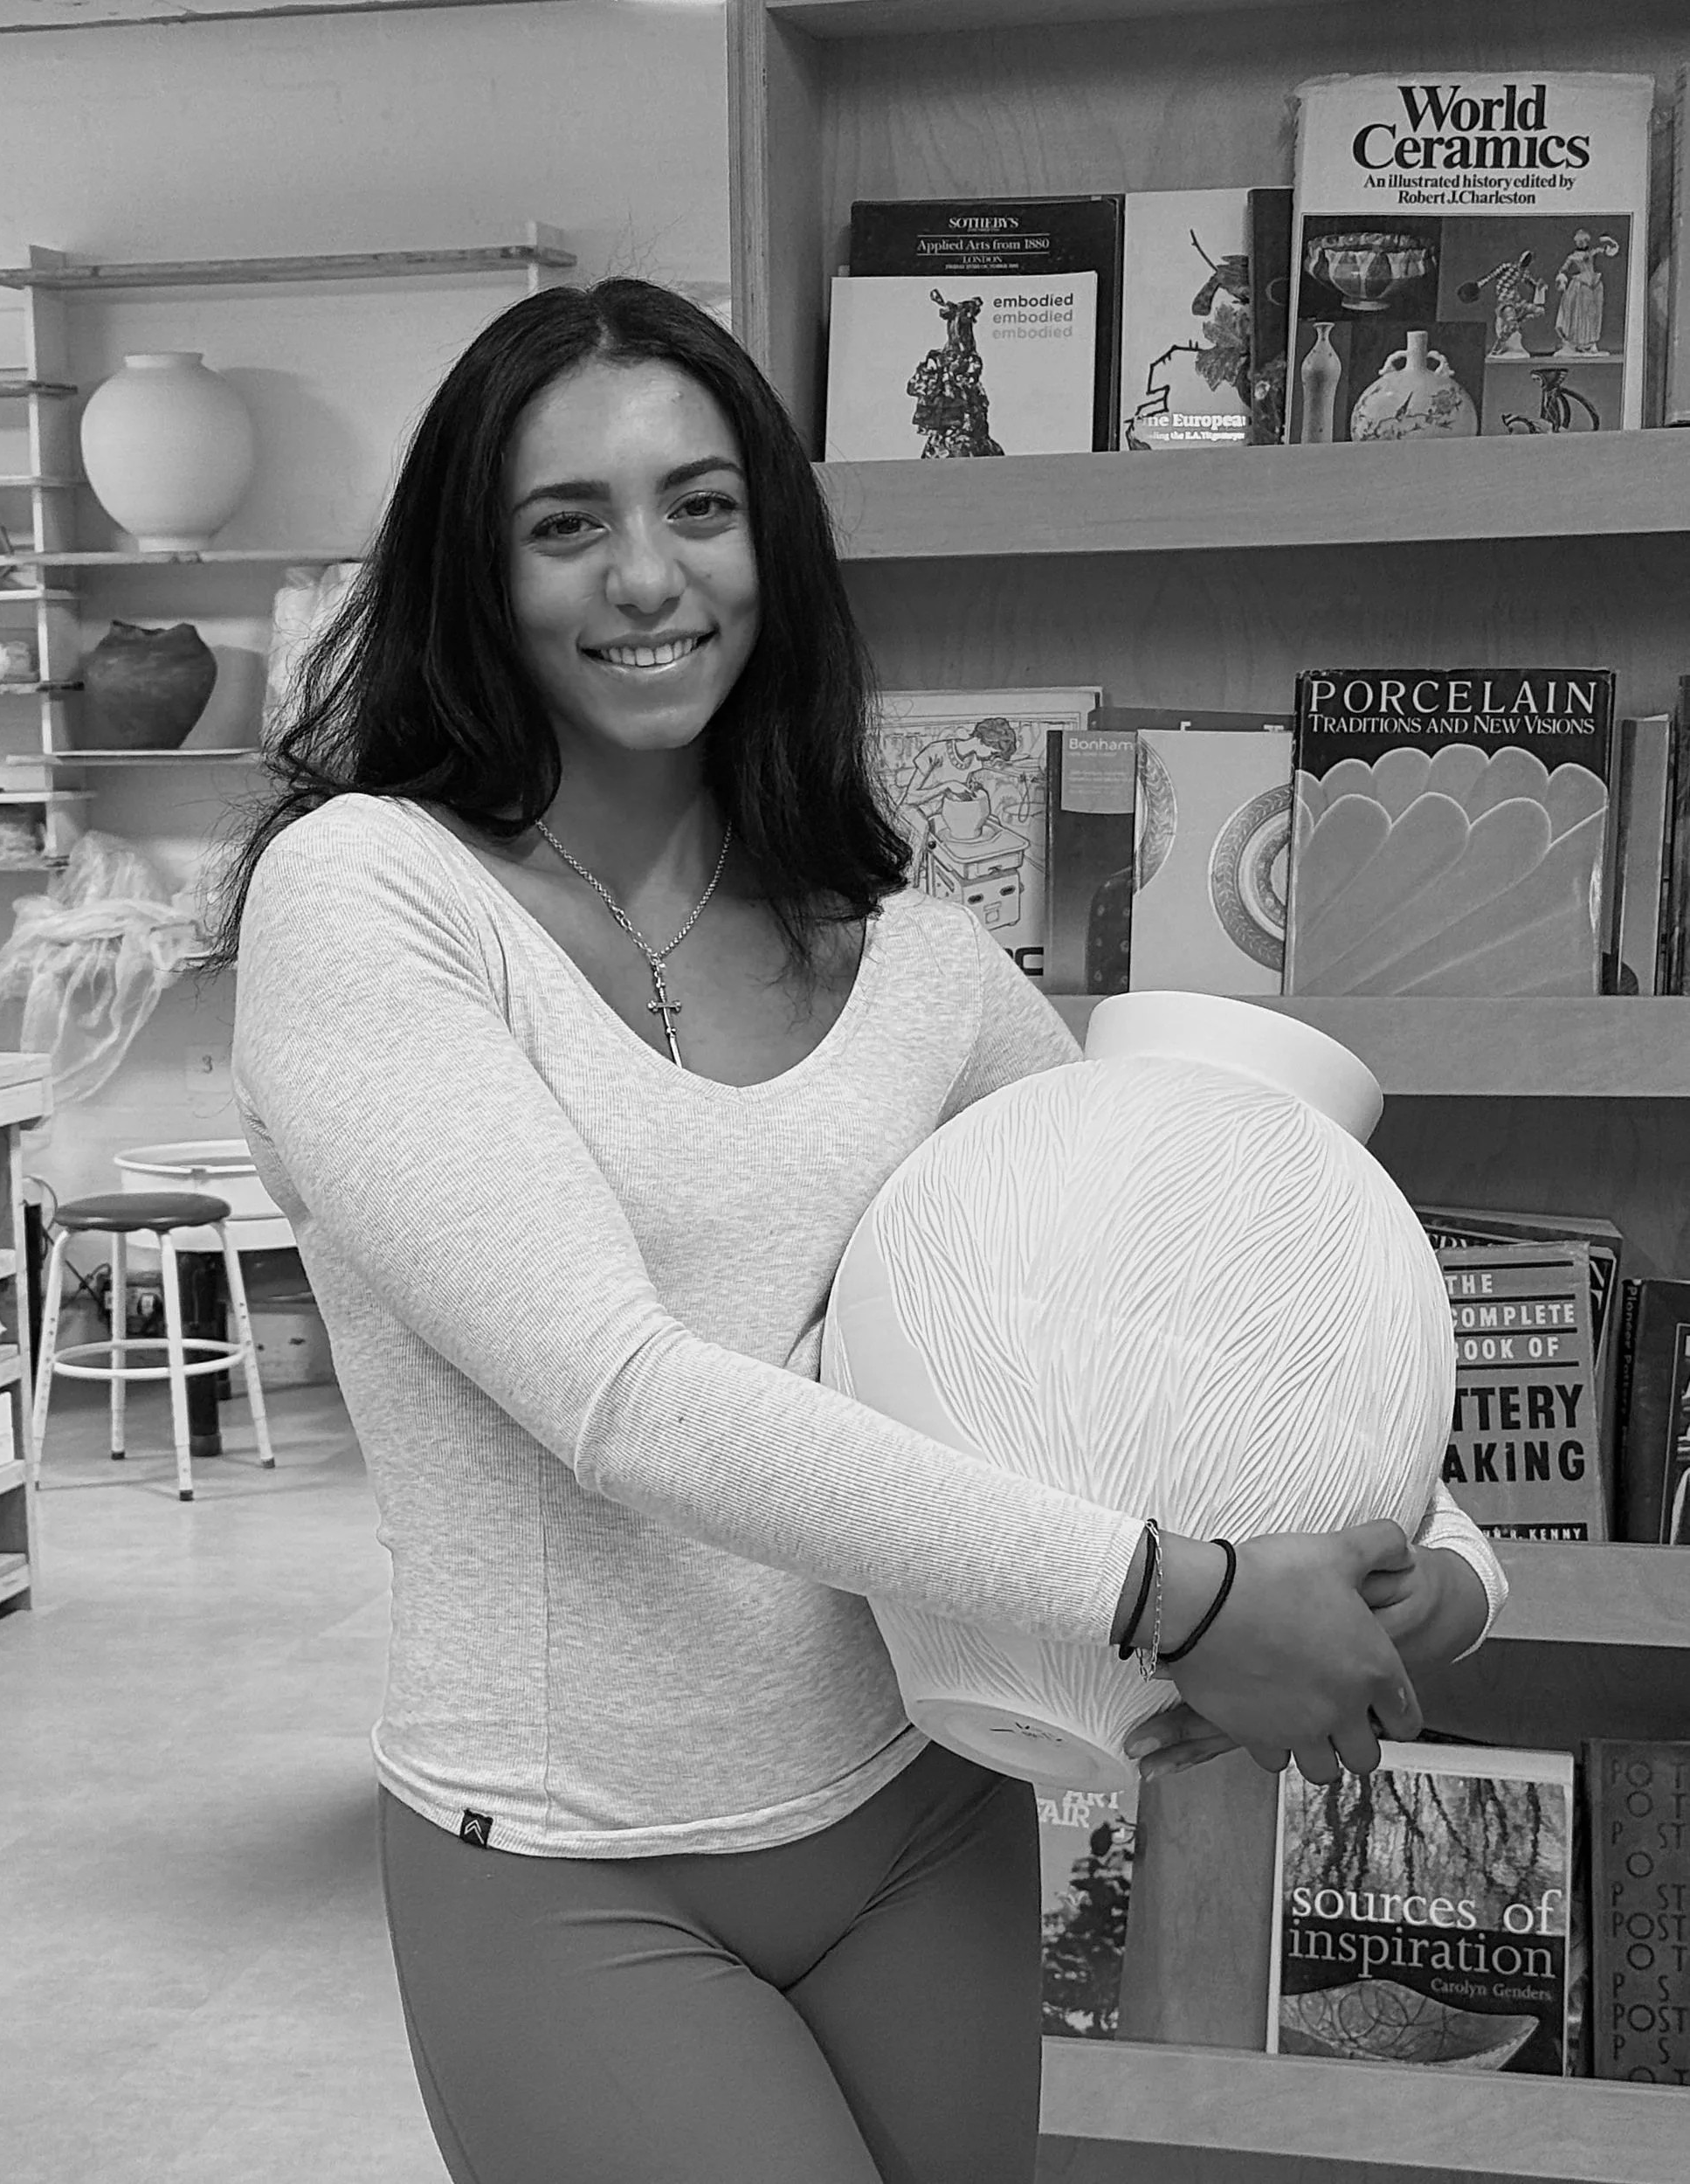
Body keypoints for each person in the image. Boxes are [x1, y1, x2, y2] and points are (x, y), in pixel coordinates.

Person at [209, 278, 1505, 2184]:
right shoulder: (375, 898)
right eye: (565, 523)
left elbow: (1132, 1289)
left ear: (774, 543)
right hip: (576, 1865)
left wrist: (1424, 1571)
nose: (646, 574)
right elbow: (621, 1394)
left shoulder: (909, 951)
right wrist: (1193, 1595)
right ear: (469, 579)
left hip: (919, 1813)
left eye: (701, 505)